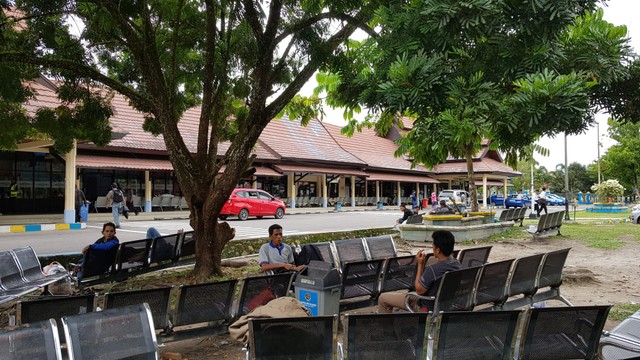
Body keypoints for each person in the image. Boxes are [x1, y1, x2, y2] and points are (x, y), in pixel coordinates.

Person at [377, 230, 461, 313]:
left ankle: (386, 326)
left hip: (427, 307)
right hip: (447, 305)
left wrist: (420, 264)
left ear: (438, 250)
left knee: (383, 298)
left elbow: (419, 290)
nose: (432, 247)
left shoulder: (432, 270)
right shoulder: (457, 264)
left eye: (433, 245)